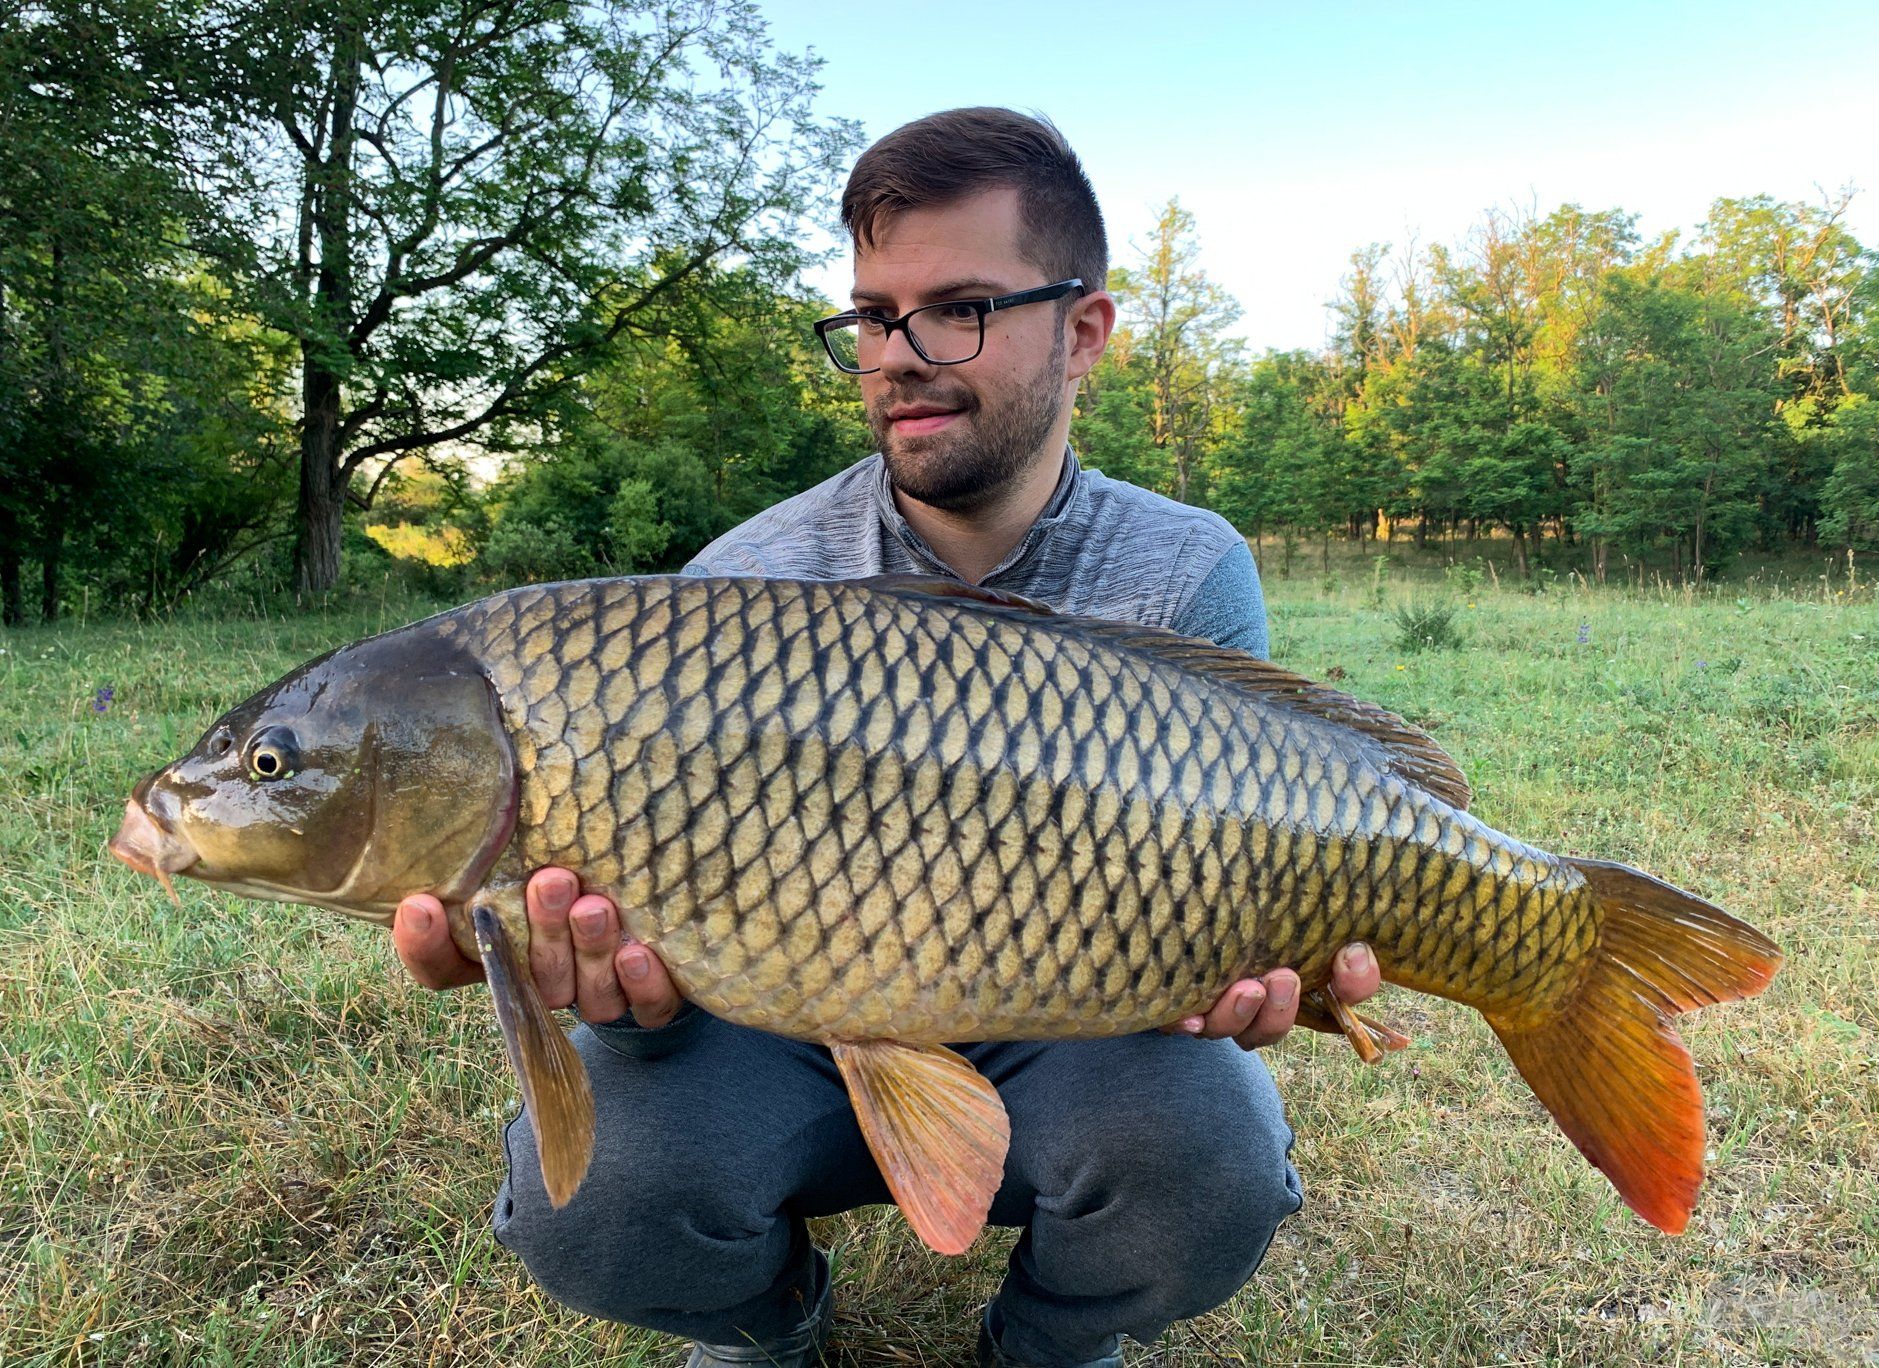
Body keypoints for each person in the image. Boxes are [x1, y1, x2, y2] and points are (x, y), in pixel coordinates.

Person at [393, 108, 1382, 1368]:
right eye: (872, 316)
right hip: (780, 1031)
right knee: (591, 1203)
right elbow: (660, 975)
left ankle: (1049, 1345)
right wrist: (617, 994)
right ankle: (765, 1326)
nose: (899, 356)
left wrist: (1249, 966)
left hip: (1063, 1028)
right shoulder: (745, 582)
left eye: (959, 307)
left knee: (1209, 1162)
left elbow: (1245, 863)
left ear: (1084, 332)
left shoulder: (1183, 569)